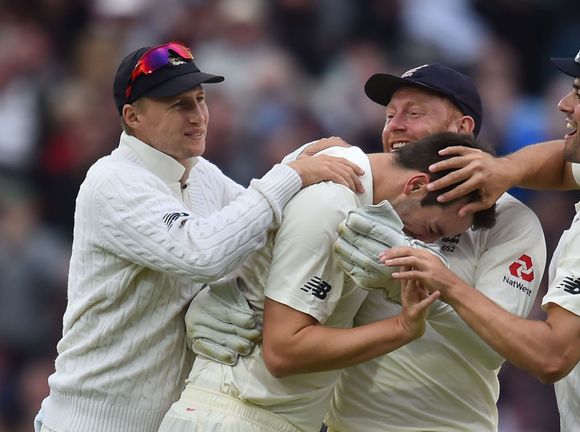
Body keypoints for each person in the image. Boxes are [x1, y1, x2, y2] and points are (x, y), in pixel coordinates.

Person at [189, 63, 546, 430]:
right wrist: (223, 296)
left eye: (415, 113)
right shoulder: (350, 193)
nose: (395, 126)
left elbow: (499, 347)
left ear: (462, 128)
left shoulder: (510, 222)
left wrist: (421, 286)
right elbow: (249, 256)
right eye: (390, 114)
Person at [37, 41, 364, 432]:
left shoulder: (200, 171)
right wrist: (291, 173)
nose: (198, 116)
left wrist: (306, 168)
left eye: (201, 99)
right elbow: (203, 253)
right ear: (133, 116)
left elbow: (259, 233)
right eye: (179, 104)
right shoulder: (111, 181)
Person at [382, 42, 580, 430]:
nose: (564, 104)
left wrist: (446, 283)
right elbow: (562, 162)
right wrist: (504, 170)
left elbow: (552, 356)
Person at [158, 132, 498, 432]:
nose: (419, 241)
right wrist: (403, 328)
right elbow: (284, 350)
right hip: (238, 415)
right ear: (417, 185)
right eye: (432, 230)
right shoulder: (332, 203)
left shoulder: (332, 171)